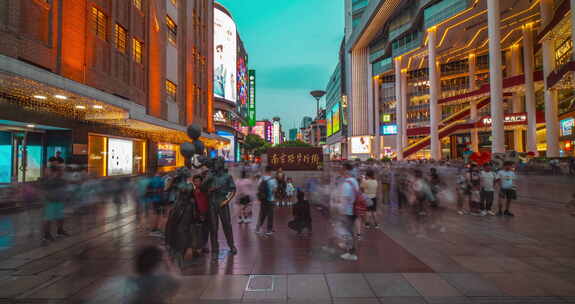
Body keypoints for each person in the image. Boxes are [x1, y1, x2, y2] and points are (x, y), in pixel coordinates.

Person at [202, 157, 237, 257]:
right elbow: (202, 189)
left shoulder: (227, 177)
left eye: (217, 163)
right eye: (215, 163)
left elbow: (233, 190)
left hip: (222, 202)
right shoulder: (210, 176)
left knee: (227, 225)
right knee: (213, 227)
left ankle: (231, 246)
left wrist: (227, 200)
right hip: (212, 202)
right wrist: (207, 180)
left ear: (221, 164)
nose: (215, 165)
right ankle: (214, 249)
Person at [337, 162, 360, 261]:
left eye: (341, 169)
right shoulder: (354, 181)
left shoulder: (347, 183)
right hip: (354, 209)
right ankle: (350, 250)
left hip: (348, 211)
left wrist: (341, 210)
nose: (340, 171)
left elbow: (345, 199)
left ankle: (351, 252)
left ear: (346, 170)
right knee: (350, 230)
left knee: (348, 231)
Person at [40, 166, 69, 244]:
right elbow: (43, 190)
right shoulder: (47, 180)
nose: (46, 172)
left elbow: (64, 189)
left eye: (48, 170)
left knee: (60, 217)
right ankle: (46, 235)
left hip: (58, 201)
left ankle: (60, 231)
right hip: (50, 202)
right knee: (48, 219)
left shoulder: (60, 180)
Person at [256, 166, 278, 236]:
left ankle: (258, 229)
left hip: (263, 200)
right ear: (270, 171)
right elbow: (275, 190)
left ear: (265, 171)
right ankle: (269, 230)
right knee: (270, 215)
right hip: (271, 199)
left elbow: (258, 188)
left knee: (262, 214)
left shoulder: (261, 179)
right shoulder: (273, 180)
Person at [146, 171, 166, 237]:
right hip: (159, 199)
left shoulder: (151, 180)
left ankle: (153, 229)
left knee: (155, 213)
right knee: (159, 214)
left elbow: (148, 189)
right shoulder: (161, 180)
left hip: (152, 199)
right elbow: (163, 190)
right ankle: (155, 229)